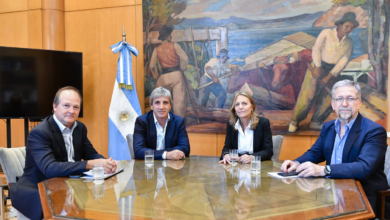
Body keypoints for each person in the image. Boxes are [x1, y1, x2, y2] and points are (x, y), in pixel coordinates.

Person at [281, 80, 390, 218]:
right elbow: (316, 152)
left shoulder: (374, 131)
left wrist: (323, 170)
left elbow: (364, 167)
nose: (344, 104)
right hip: (331, 195)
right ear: (333, 104)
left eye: (350, 98)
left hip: (364, 198)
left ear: (359, 103)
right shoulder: (328, 127)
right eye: (339, 99)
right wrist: (296, 162)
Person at [10, 86, 117, 220]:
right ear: (55, 106)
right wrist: (90, 164)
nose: (71, 111)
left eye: (76, 107)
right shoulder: (39, 133)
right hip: (42, 188)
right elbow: (50, 169)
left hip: (72, 186)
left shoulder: (80, 128)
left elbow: (91, 153)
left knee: (103, 208)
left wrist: (106, 162)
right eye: (66, 105)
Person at [288, 12, 358, 132]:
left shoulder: (349, 42)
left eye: (351, 28)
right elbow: (316, 49)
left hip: (334, 71)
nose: (349, 30)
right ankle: (294, 121)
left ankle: (316, 121)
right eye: (347, 26)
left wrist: (330, 75)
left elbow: (344, 60)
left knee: (328, 97)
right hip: (318, 66)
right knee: (308, 96)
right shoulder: (326, 33)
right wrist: (318, 67)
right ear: (340, 25)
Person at [133, 87, 190, 160]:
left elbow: (185, 148)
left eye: (165, 102)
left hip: (172, 168)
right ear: (151, 106)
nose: (161, 107)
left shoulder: (178, 121)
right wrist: (166, 155)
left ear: (170, 106)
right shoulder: (142, 121)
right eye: (157, 103)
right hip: (149, 167)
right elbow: (138, 151)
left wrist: (155, 153)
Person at [219, 92, 273, 164]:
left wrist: (252, 157)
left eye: (244, 103)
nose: (240, 107)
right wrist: (226, 155)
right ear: (234, 109)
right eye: (237, 104)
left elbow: (268, 151)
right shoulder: (231, 125)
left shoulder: (263, 123)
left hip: (256, 167)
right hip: (236, 168)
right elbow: (227, 147)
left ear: (252, 107)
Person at [149, 25, 189, 117]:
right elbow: (185, 58)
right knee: (179, 104)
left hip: (163, 78)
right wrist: (182, 68)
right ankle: (178, 124)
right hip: (176, 76)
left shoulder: (156, 49)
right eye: (170, 35)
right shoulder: (174, 45)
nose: (171, 37)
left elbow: (152, 65)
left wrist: (155, 76)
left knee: (160, 101)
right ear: (168, 36)